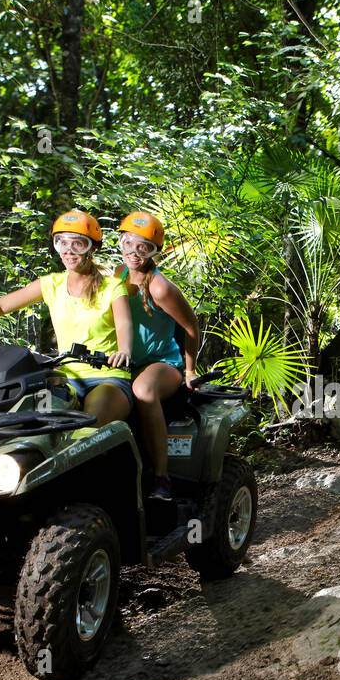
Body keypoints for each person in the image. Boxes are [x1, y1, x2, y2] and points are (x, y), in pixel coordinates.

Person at [0, 210, 135, 427]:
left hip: (107, 376)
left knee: (87, 426)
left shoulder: (112, 287)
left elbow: (124, 323)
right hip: (65, 377)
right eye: (61, 243)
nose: (68, 250)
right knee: (27, 420)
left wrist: (123, 351)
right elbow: (1, 306)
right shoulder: (52, 284)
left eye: (78, 244)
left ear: (93, 248)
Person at [114, 210, 201, 501]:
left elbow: (191, 326)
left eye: (144, 247)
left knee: (143, 390)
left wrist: (190, 371)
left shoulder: (159, 287)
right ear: (120, 242)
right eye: (129, 244)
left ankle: (162, 477)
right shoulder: (117, 275)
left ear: (154, 252)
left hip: (163, 363)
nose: (135, 253)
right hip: (127, 361)